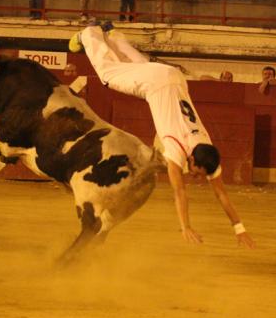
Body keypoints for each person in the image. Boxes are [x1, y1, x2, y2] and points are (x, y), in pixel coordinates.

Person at [69, 23, 255, 248]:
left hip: (174, 78)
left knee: (138, 66)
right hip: (155, 84)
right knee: (108, 74)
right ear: (193, 159)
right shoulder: (177, 150)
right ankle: (90, 34)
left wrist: (239, 228)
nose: (196, 176)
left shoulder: (206, 146)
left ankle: (114, 36)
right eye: (197, 172)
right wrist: (185, 226)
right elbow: (179, 192)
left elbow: (221, 195)